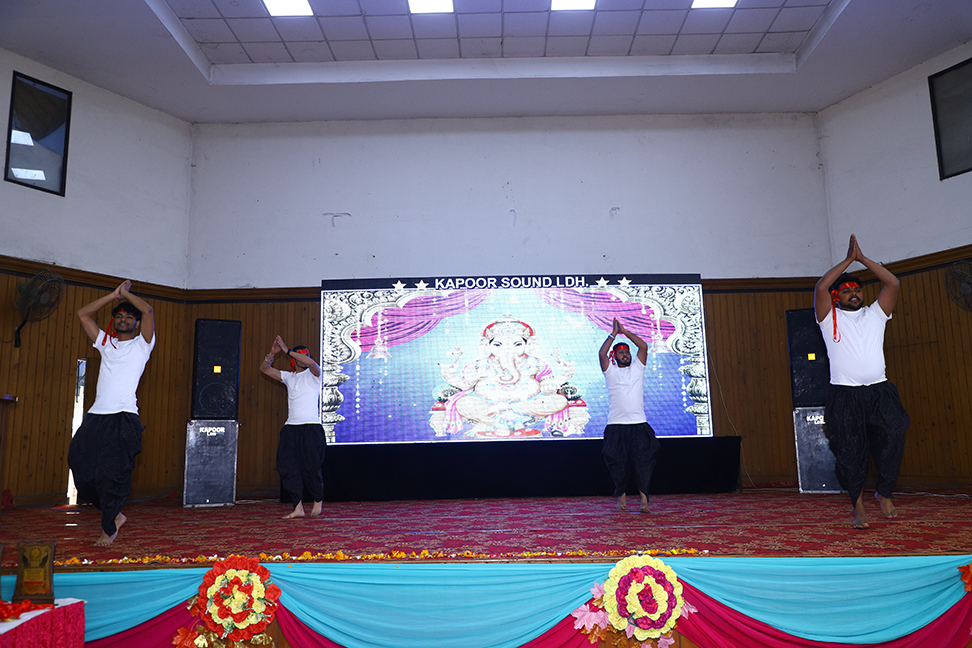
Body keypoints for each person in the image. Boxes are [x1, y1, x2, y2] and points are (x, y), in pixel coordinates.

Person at [814, 234, 910, 529]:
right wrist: (848, 259)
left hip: (880, 392)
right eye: (846, 291)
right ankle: (858, 505)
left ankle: (884, 491)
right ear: (837, 297)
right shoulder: (828, 318)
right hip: (845, 395)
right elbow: (820, 287)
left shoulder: (876, 314)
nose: (853, 293)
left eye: (857, 290)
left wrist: (863, 259)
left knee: (894, 433)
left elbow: (893, 283)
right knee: (850, 450)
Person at [68, 280, 155, 546]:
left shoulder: (142, 345)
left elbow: (148, 311)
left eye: (129, 316)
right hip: (97, 417)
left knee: (112, 474)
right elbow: (83, 314)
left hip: (124, 417)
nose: (124, 319)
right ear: (114, 322)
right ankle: (115, 514)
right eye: (119, 316)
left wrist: (125, 293)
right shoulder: (106, 343)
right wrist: (112, 295)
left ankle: (109, 526)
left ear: (136, 324)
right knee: (80, 465)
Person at [598, 318, 660, 513]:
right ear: (615, 356)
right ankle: (622, 498)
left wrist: (625, 332)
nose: (625, 354)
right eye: (621, 352)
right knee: (617, 463)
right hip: (616, 425)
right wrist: (613, 334)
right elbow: (601, 353)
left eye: (627, 352)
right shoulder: (610, 371)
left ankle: (644, 502)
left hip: (638, 424)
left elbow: (643, 346)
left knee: (643, 463)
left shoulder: (637, 368)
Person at [260, 335, 326, 519]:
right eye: (300, 356)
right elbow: (264, 369)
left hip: (311, 428)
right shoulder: (289, 377)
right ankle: (298, 507)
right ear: (294, 361)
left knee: (311, 467)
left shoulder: (314, 375)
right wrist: (272, 354)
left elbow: (311, 363)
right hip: (291, 428)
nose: (304, 358)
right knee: (287, 466)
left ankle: (317, 501)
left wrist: (288, 350)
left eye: (305, 355)